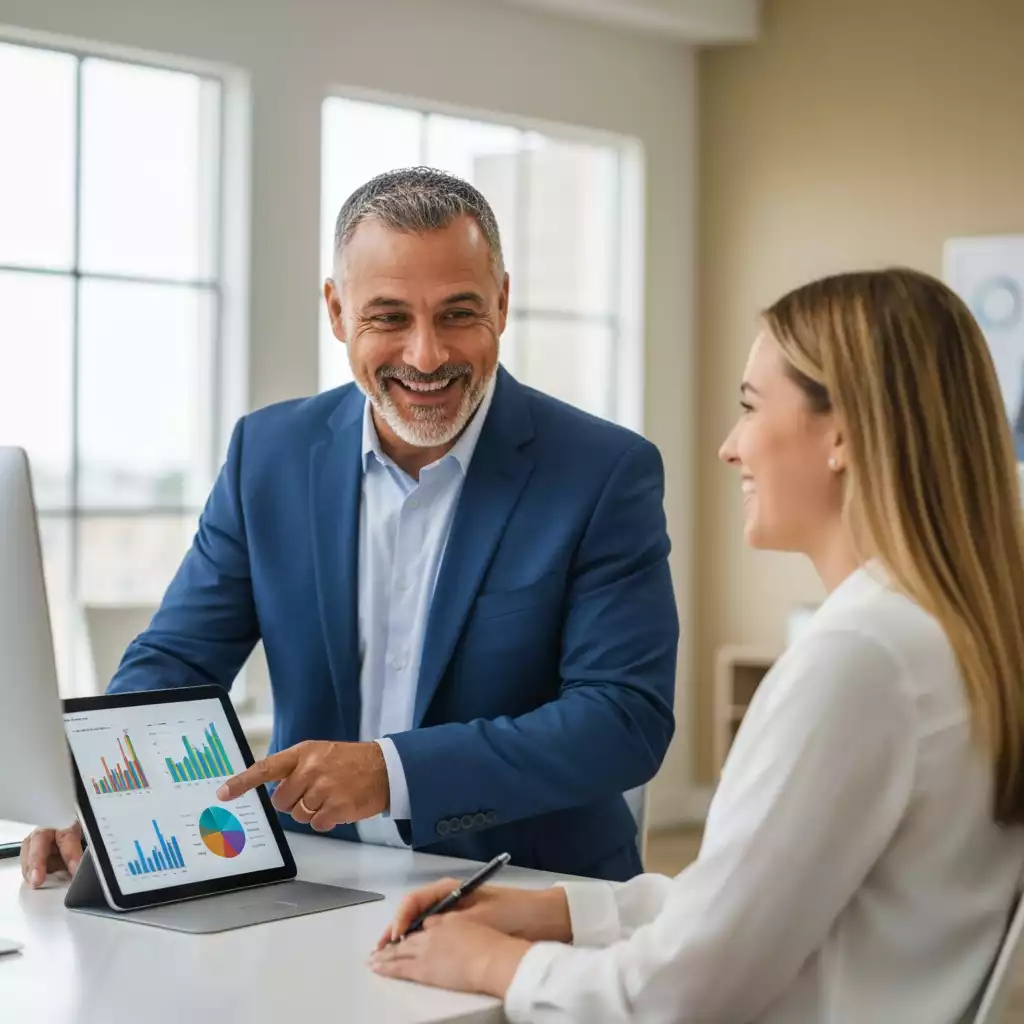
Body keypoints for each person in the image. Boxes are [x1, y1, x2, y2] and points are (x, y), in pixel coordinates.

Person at [370, 268, 1024, 1023]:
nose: (728, 447)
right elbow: (761, 903)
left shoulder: (860, 659)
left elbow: (675, 997)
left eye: (749, 408)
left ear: (841, 432)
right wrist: (553, 914)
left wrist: (495, 963)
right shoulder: (951, 634)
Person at [20, 168, 678, 887]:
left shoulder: (603, 472)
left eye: (458, 314)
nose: (426, 356)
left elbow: (622, 720)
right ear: (337, 312)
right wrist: (98, 786)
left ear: (504, 302)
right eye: (389, 317)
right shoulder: (266, 456)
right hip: (314, 877)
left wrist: (392, 772)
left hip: (534, 888)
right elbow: (178, 658)